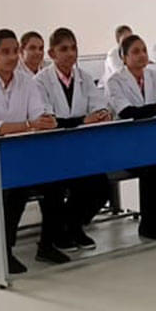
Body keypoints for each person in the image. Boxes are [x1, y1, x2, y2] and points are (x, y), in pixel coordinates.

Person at [0, 29, 68, 272]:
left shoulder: (26, 81)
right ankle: (4, 250)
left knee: (55, 182)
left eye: (14, 51)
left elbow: (38, 113)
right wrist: (31, 124)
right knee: (15, 188)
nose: (12, 57)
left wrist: (46, 120)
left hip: (20, 155)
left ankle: (47, 245)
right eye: (5, 52)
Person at [37, 27, 113, 249]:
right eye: (64, 49)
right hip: (51, 151)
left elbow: (97, 104)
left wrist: (102, 114)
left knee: (101, 188)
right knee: (58, 187)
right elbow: (49, 119)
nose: (70, 53)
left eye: (73, 48)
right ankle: (61, 232)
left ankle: (73, 225)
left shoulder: (84, 78)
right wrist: (83, 120)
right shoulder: (40, 81)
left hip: (81, 149)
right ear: (52, 53)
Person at [106, 34, 156, 240]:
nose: (142, 55)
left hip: (151, 142)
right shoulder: (115, 81)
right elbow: (126, 111)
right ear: (124, 57)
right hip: (125, 145)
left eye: (143, 50)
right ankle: (148, 225)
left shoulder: (152, 75)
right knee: (153, 168)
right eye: (135, 52)